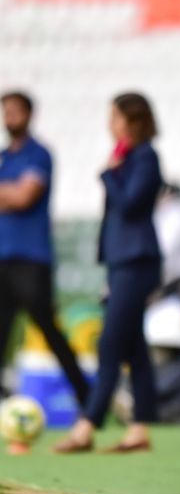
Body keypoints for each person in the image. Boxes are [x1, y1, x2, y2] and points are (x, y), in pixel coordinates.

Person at [53, 93, 164, 454]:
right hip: (122, 264)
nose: (109, 124)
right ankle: (139, 430)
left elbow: (131, 206)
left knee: (110, 344)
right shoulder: (129, 158)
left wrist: (107, 175)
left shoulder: (145, 157)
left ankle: (87, 425)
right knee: (134, 348)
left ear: (131, 120)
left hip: (137, 261)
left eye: (115, 117)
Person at [0, 91, 90, 407]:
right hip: (4, 256)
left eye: (15, 111)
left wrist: (12, 194)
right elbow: (15, 194)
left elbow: (25, 197)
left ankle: (85, 393)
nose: (9, 117)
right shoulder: (5, 157)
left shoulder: (38, 154)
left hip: (31, 257)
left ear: (28, 114)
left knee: (46, 327)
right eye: (6, 111)